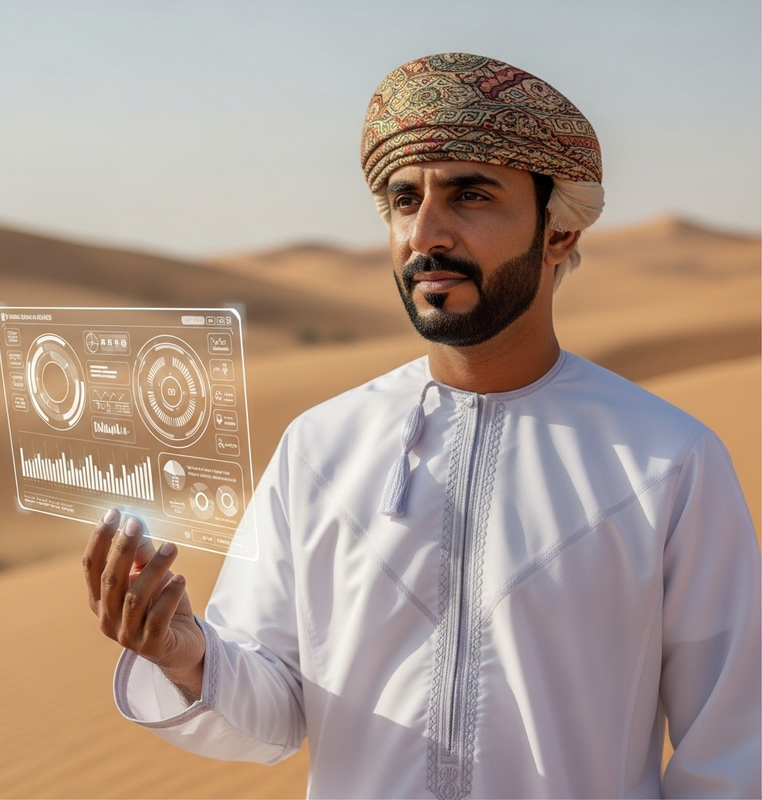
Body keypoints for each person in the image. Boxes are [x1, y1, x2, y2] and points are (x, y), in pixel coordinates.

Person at [84, 53, 761, 799]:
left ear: (557, 233)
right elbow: (274, 711)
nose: (426, 233)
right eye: (405, 200)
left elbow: (733, 748)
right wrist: (190, 659)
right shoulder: (321, 447)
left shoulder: (668, 461)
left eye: (471, 196)